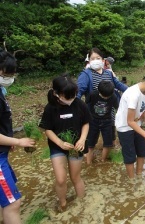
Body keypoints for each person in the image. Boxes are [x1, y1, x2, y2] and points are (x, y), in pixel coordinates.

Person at [39, 75, 91, 211]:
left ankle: (82, 205)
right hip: (57, 147)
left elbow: (86, 123)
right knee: (61, 179)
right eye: (67, 96)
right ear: (57, 93)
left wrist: (82, 139)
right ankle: (63, 204)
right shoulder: (50, 108)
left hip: (76, 146)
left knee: (75, 177)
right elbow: (47, 129)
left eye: (73, 95)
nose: (70, 99)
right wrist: (60, 143)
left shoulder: (79, 104)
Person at [0, 49, 36, 224]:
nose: (9, 78)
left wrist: (8, 140)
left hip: (2, 153)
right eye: (6, 74)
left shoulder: (1, 92)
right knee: (13, 203)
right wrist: (17, 141)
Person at [77, 48, 127, 153]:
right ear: (89, 61)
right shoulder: (86, 74)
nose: (95, 60)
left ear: (103, 60)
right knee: (92, 136)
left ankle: (109, 152)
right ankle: (90, 153)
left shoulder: (108, 73)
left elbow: (118, 84)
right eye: (92, 58)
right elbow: (79, 92)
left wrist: (131, 91)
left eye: (98, 58)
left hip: (109, 110)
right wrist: (75, 107)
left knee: (110, 134)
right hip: (93, 112)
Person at [85, 80, 119, 164]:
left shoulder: (113, 97)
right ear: (99, 91)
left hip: (107, 121)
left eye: (107, 97)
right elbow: (86, 104)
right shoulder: (93, 94)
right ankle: (89, 163)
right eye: (103, 96)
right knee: (90, 143)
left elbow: (118, 108)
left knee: (108, 143)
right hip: (93, 121)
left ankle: (103, 161)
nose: (105, 98)